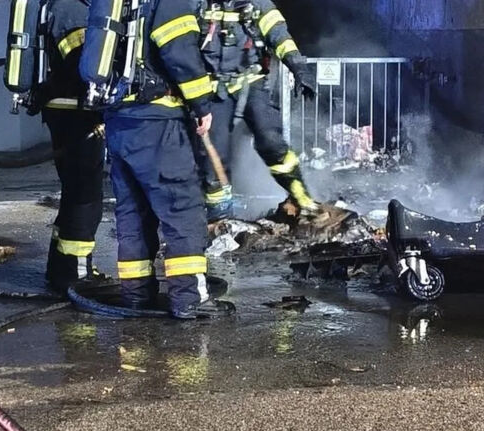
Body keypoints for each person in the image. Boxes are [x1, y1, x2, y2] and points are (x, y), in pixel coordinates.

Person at [81, 0, 235, 318]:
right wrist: (202, 105)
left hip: (119, 121)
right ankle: (190, 299)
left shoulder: (126, 4)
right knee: (182, 210)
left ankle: (135, 295)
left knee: (133, 215)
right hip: (158, 123)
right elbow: (180, 54)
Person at [194, 0, 319, 222]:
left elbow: (279, 35)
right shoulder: (197, 4)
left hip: (250, 82)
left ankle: (302, 198)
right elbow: (180, 46)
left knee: (271, 140)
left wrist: (299, 67)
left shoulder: (257, 3)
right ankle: (219, 219)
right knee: (214, 157)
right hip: (212, 89)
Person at [38, 0, 107, 293]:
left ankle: (60, 268)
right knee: (85, 197)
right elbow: (82, 61)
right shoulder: (70, 8)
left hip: (71, 110)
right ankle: (77, 275)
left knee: (74, 193)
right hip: (75, 112)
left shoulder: (70, 6)